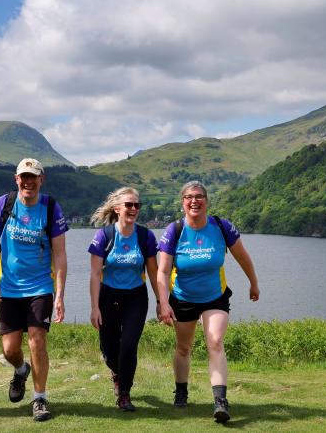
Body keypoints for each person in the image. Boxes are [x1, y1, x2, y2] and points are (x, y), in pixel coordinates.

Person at [156, 181, 260, 424]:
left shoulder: (221, 227)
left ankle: (220, 401)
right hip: (183, 297)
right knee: (184, 347)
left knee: (215, 341)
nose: (195, 201)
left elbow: (243, 257)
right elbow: (162, 271)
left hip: (215, 296)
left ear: (207, 201)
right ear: (182, 202)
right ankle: (181, 390)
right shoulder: (175, 230)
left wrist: (253, 283)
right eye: (189, 197)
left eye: (199, 196)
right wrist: (163, 303)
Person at [0, 158, 68, 422]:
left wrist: (60, 295)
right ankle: (21, 371)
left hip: (40, 286)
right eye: (24, 177)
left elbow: (61, 255)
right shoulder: (4, 204)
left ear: (42, 179)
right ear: (16, 179)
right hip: (8, 287)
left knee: (37, 340)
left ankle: (39, 399)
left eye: (34, 177)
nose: (28, 181)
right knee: (9, 349)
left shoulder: (51, 208)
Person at [87, 187, 159, 412]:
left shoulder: (145, 236)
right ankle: (116, 372)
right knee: (109, 348)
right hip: (108, 296)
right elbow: (95, 274)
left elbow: (154, 273)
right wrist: (94, 307)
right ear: (117, 209)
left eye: (137, 205)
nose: (134, 209)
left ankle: (125, 394)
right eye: (129, 205)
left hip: (136, 297)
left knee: (128, 345)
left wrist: (162, 302)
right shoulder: (104, 236)